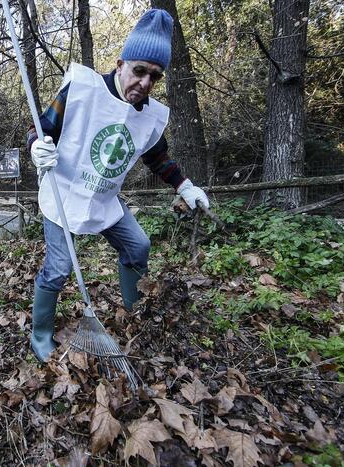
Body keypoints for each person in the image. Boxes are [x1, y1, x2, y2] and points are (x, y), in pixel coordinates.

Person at [27, 9, 209, 362]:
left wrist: (185, 186)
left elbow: (158, 159)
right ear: (121, 63)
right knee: (59, 267)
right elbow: (42, 127)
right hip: (62, 193)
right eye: (139, 71)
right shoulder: (82, 88)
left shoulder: (151, 116)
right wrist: (37, 146)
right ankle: (41, 334)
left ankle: (133, 310)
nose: (144, 83)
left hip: (104, 199)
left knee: (138, 245)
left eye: (154, 77)